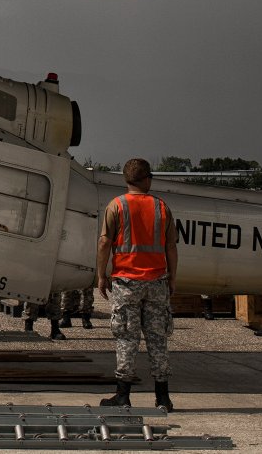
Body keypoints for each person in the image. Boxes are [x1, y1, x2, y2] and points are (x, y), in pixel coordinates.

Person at [95, 158, 178, 412]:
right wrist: (172, 277)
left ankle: (123, 395)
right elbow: (170, 246)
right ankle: (163, 397)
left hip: (127, 283)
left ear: (127, 179)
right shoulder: (161, 207)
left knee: (126, 338)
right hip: (156, 282)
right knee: (157, 339)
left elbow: (104, 242)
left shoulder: (116, 206)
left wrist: (101, 275)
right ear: (147, 179)